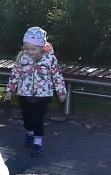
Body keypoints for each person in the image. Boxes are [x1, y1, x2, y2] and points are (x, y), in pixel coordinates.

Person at [4, 27, 67, 158]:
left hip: (43, 95)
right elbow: (15, 74)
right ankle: (30, 132)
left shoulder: (50, 59)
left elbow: (57, 76)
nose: (30, 52)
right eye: (27, 49)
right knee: (28, 119)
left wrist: (61, 91)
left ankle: (38, 144)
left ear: (42, 47)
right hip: (24, 93)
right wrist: (10, 89)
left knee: (38, 119)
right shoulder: (23, 59)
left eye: (33, 49)